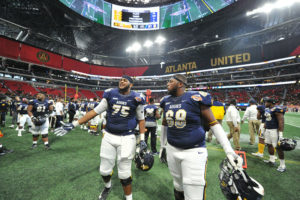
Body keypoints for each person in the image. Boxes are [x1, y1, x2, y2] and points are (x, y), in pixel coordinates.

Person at [54, 75, 146, 200]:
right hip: (109, 135)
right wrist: (74, 123)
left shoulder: (137, 98)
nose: (122, 81)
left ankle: (129, 198)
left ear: (131, 84)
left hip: (127, 137)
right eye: (121, 79)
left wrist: (142, 138)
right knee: (104, 171)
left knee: (124, 173)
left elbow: (141, 120)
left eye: (125, 80)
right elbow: (94, 112)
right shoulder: (110, 94)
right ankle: (107, 187)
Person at [160, 74, 242, 200]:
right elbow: (165, 124)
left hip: (194, 151)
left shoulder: (195, 98)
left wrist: (229, 150)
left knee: (193, 194)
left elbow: (214, 124)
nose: (167, 84)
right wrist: (163, 146)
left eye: (170, 81)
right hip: (172, 149)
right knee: (178, 186)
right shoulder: (166, 100)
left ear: (180, 84)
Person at [263, 97, 286, 172]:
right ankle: (272, 159)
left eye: (266, 102)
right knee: (269, 144)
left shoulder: (277, 109)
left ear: (270, 102)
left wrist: (281, 134)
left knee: (278, 147)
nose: (265, 103)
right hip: (268, 130)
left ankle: (282, 165)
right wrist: (264, 129)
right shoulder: (267, 109)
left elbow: (281, 121)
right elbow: (267, 120)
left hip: (274, 130)